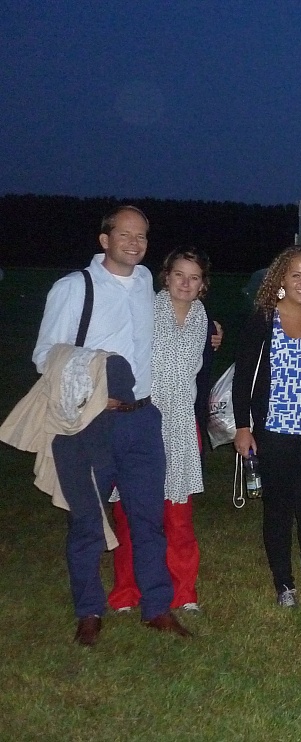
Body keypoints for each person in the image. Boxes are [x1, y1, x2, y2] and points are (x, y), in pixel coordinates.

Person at [31, 205, 190, 644]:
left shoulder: (144, 282)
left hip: (143, 420)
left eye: (142, 236)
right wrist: (94, 379)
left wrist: (210, 328)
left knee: (148, 520)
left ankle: (157, 608)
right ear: (104, 240)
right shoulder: (73, 288)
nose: (135, 243)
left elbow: (175, 313)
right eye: (125, 235)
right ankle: (89, 612)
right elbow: (44, 356)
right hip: (91, 422)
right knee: (87, 522)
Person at [108, 248, 211, 614]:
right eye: (179, 275)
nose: (185, 283)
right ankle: (126, 591)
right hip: (143, 421)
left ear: (202, 285)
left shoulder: (202, 319)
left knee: (178, 517)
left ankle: (184, 591)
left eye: (194, 277)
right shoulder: (146, 309)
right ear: (166, 276)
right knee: (132, 515)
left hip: (181, 425)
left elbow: (202, 371)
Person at [233, 246, 301, 608]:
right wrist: (243, 427)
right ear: (281, 278)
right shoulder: (264, 318)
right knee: (277, 508)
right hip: (273, 429)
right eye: (296, 275)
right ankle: (284, 582)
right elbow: (243, 376)